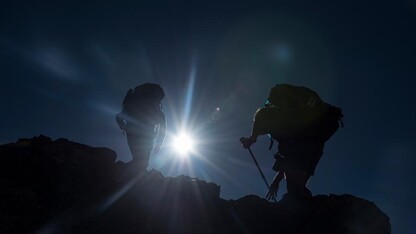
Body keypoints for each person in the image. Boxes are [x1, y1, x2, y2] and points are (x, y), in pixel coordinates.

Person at [240, 84, 342, 200]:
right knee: (298, 188)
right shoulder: (300, 127)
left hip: (306, 146)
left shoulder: (271, 120)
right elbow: (290, 159)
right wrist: (276, 181)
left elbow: (290, 157)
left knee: (294, 191)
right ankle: (303, 201)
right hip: (316, 144)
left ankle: (299, 204)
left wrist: (251, 139)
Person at [116, 83, 167, 173]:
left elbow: (119, 116)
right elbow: (163, 130)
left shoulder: (133, 106)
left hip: (132, 133)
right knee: (142, 163)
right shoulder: (158, 113)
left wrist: (124, 127)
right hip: (146, 136)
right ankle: (132, 176)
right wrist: (159, 144)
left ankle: (127, 173)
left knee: (139, 161)